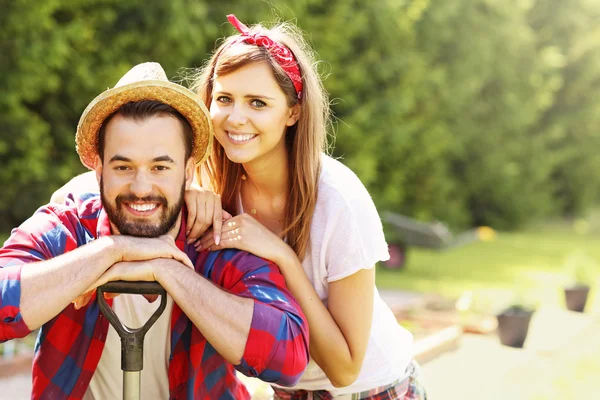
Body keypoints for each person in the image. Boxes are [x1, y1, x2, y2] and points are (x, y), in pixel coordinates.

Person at [0, 62, 309, 400]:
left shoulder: (213, 241)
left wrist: (169, 271)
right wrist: (110, 251)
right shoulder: (69, 229)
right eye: (123, 167)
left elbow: (288, 356)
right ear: (99, 171)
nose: (141, 187)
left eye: (160, 167)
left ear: (188, 172)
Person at [188, 14, 427, 400]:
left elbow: (345, 368)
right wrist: (189, 191)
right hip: (288, 392)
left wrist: (281, 255)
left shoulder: (338, 200)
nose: (235, 117)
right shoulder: (214, 187)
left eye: (258, 103)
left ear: (293, 113)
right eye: (224, 99)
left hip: (373, 390)